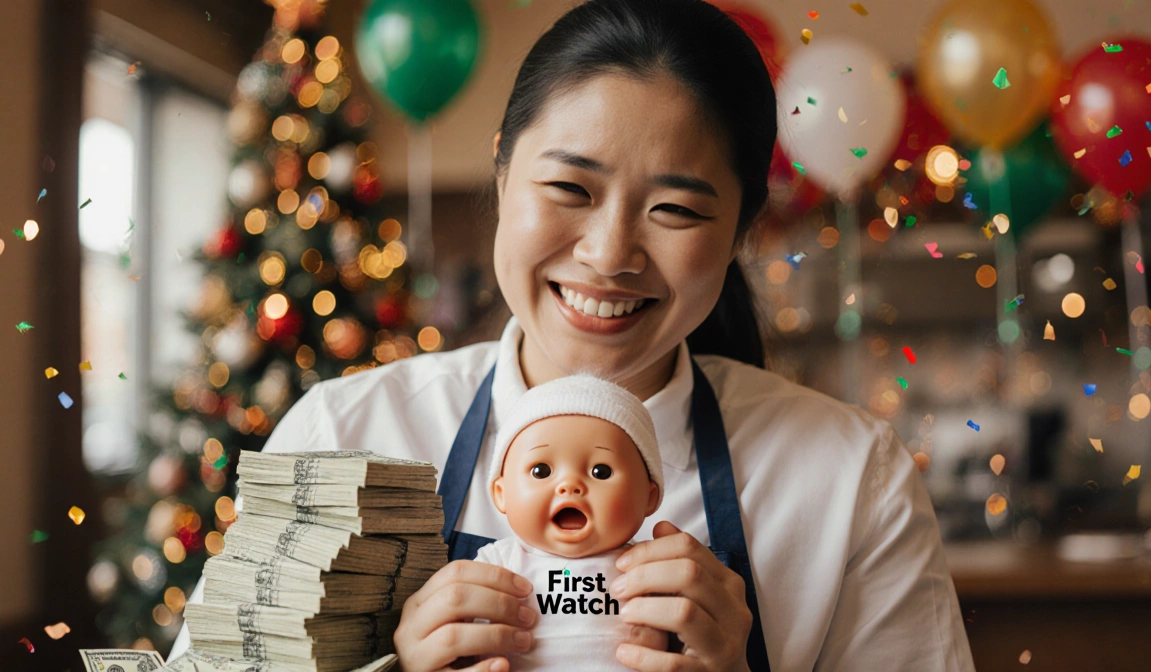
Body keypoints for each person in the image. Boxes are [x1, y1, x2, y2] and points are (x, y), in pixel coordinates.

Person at [171, 0, 975, 670]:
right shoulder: (346, 435)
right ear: (502, 171)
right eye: (569, 188)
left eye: (676, 209)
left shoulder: (848, 479)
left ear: (740, 232)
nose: (610, 254)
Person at [474, 374, 670, 670]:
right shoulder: (498, 563)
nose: (569, 485)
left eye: (601, 471)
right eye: (541, 471)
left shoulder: (649, 568)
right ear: (502, 494)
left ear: (649, 496)